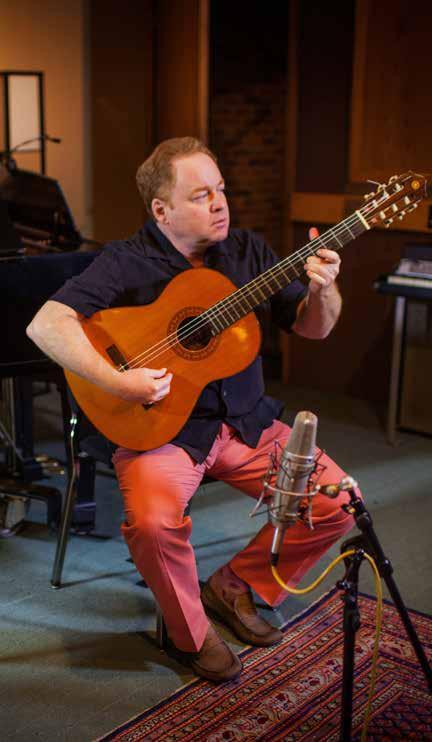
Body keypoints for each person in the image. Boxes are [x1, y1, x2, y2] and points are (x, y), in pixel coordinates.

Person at [27, 137, 356, 683]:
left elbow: (312, 327)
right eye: (201, 195)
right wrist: (120, 382)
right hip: (163, 432)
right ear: (162, 210)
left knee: (340, 502)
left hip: (246, 424)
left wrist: (323, 290)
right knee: (153, 525)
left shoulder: (248, 252)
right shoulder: (124, 261)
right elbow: (46, 325)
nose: (220, 203)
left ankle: (234, 585)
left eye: (220, 189)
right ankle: (192, 634)